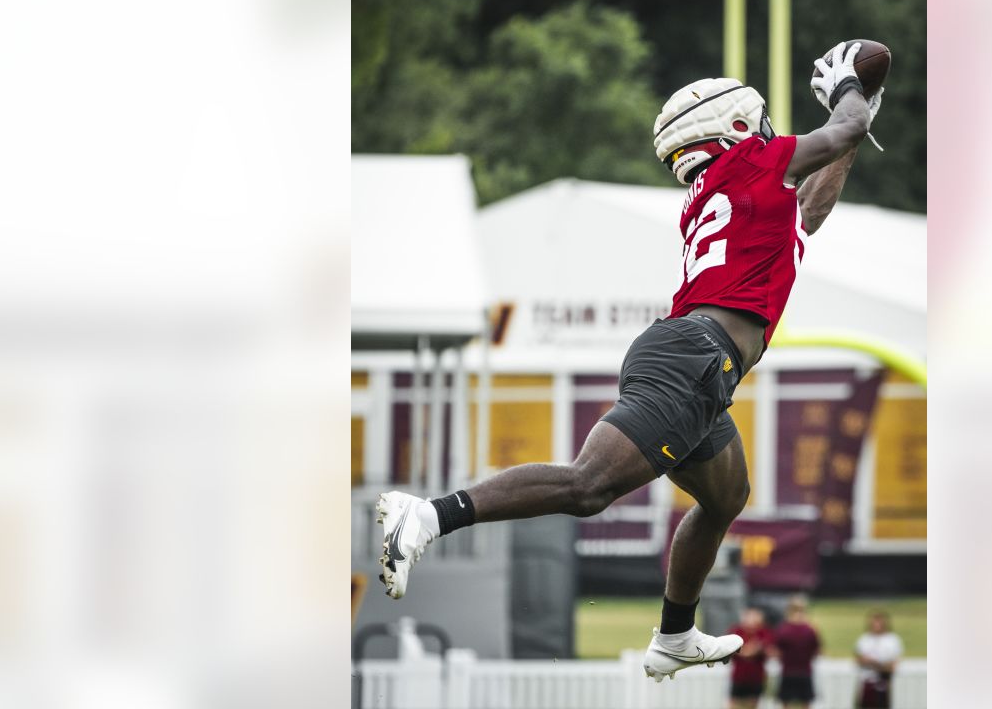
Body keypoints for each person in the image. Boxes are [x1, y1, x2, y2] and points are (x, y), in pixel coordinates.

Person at [374, 40, 885, 683]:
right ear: (735, 128)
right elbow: (843, 129)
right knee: (590, 488)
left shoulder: (729, 194)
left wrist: (860, 114)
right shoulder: (749, 166)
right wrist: (850, 92)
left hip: (697, 361)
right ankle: (425, 515)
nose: (769, 135)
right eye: (757, 126)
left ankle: (674, 635)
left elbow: (809, 207)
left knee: (725, 496)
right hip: (693, 359)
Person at [772, 595, 822, 709]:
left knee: (786, 703)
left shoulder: (783, 629)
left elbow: (775, 651)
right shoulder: (810, 629)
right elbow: (818, 651)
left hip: (788, 671)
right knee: (806, 702)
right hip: (804, 671)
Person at [854, 610, 903, 708]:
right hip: (867, 682)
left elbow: (892, 666)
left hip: (883, 684)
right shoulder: (864, 639)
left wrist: (874, 663)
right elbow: (858, 659)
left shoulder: (892, 640)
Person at [728, 607, 773, 709]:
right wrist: (751, 650)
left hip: (756, 677)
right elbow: (730, 648)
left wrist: (746, 650)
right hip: (739, 676)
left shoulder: (764, 631)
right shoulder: (736, 630)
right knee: (734, 703)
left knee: (753, 703)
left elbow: (767, 648)